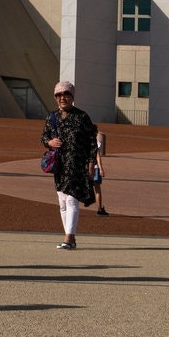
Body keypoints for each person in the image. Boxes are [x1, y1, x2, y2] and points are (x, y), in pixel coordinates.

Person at [43, 81, 98, 250]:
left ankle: (69, 237)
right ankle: (69, 239)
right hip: (59, 165)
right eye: (58, 95)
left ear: (72, 97)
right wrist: (50, 142)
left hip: (77, 164)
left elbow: (92, 142)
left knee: (72, 199)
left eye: (66, 94)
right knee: (62, 201)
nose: (62, 98)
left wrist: (91, 162)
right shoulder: (52, 117)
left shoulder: (82, 117)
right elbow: (44, 137)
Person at [93, 129, 111, 216]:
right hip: (95, 168)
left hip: (83, 169)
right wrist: (101, 169)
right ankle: (99, 209)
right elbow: (98, 157)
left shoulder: (81, 142)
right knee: (97, 189)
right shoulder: (95, 143)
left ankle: (70, 208)